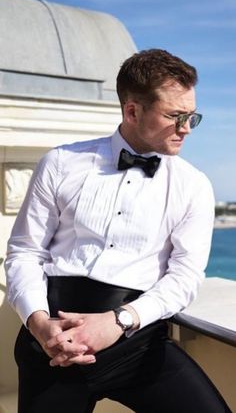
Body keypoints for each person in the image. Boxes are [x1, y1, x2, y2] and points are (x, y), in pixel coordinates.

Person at [5, 49, 231, 413]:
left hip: (138, 343)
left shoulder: (194, 186)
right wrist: (39, 324)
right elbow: (25, 253)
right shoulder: (61, 163)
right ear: (132, 111)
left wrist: (119, 321)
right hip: (53, 346)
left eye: (192, 116)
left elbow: (185, 276)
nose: (187, 127)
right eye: (175, 116)